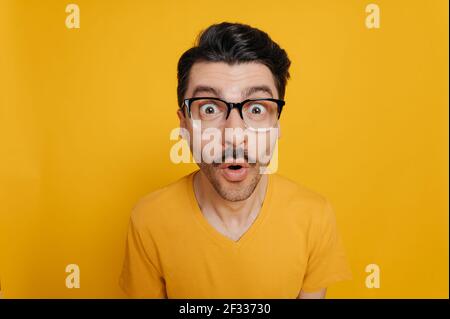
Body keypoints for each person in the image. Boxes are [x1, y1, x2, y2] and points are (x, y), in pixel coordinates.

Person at [119, 22, 352, 299]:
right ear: (184, 126)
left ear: (276, 124)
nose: (234, 134)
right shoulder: (149, 220)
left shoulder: (315, 217)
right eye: (209, 108)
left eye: (255, 108)